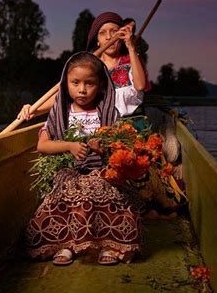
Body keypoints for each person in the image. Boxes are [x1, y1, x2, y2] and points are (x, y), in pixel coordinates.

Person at [25, 52, 142, 266]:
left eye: (89, 83)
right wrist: (69, 146)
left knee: (101, 186)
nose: (82, 89)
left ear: (100, 86)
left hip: (100, 171)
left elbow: (117, 146)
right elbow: (43, 145)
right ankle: (66, 244)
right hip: (69, 171)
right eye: (75, 83)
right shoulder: (60, 112)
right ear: (65, 84)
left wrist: (102, 147)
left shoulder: (107, 112)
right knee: (69, 188)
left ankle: (109, 244)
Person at [17, 12, 150, 121]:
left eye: (114, 31)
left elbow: (140, 86)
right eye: (102, 33)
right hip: (103, 127)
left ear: (121, 37)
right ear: (97, 40)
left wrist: (131, 47)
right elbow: (66, 92)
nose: (109, 37)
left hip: (134, 124)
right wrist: (34, 110)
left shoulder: (131, 60)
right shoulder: (91, 66)